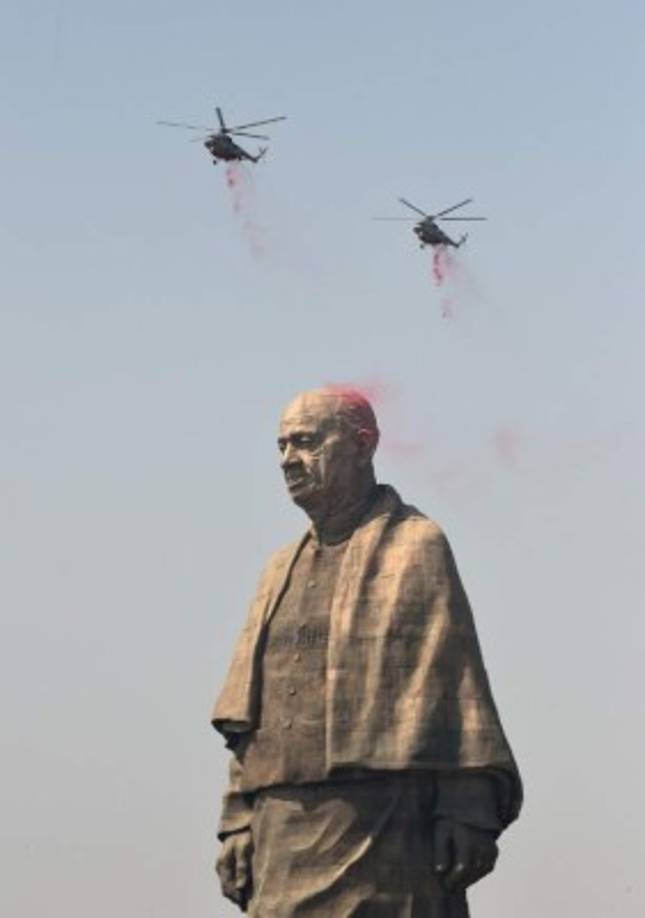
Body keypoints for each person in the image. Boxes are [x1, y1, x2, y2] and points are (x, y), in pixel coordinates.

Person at [212, 387, 522, 916]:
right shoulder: (276, 570)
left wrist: (464, 807)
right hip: (280, 827)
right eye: (282, 446)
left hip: (382, 821)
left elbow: (455, 686)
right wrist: (239, 816)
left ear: (362, 445)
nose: (289, 460)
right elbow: (251, 715)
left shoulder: (414, 546)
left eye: (306, 442)